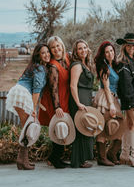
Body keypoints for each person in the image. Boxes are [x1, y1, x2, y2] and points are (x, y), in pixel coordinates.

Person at [6, 43, 50, 170]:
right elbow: (36, 91)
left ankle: (22, 160)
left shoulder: (35, 67)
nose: (47, 54)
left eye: (48, 52)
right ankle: (22, 160)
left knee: (25, 129)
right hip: (23, 94)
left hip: (18, 92)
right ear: (38, 55)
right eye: (43, 53)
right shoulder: (40, 68)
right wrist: (33, 110)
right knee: (27, 129)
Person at [38, 36, 71, 169]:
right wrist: (57, 106)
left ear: (62, 46)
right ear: (50, 50)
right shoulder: (53, 66)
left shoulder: (66, 60)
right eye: (53, 47)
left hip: (66, 97)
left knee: (64, 128)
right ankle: (54, 158)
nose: (56, 49)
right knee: (59, 127)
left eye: (58, 46)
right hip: (56, 100)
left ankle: (56, 157)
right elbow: (53, 88)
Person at [93, 41, 124, 166]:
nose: (110, 53)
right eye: (107, 52)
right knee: (104, 128)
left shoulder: (114, 65)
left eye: (111, 51)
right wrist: (111, 104)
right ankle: (101, 157)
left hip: (114, 98)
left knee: (119, 127)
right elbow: (106, 87)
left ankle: (111, 153)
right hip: (106, 98)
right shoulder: (103, 66)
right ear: (103, 54)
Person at [116, 33, 134, 168]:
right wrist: (132, 102)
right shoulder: (123, 63)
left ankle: (125, 154)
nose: (132, 47)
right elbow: (126, 85)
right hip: (130, 98)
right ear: (124, 46)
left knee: (129, 124)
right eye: (129, 45)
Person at [69, 39, 95, 168]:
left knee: (85, 127)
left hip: (87, 98)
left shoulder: (86, 64)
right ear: (75, 51)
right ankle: (78, 160)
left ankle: (83, 159)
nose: (83, 50)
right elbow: (73, 85)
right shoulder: (77, 65)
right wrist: (78, 102)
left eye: (84, 47)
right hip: (79, 99)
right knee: (80, 128)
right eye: (80, 48)